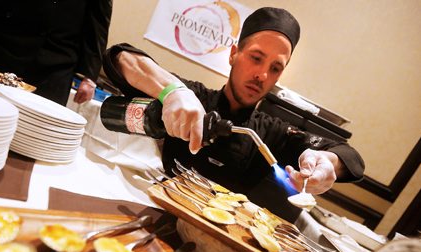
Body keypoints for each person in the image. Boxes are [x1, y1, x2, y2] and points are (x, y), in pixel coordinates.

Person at [102, 7, 364, 203]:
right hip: (155, 204)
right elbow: (121, 57)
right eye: (256, 58)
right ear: (233, 54)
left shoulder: (271, 133)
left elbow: (350, 156)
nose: (262, 74)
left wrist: (328, 162)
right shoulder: (195, 97)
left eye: (274, 68)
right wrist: (173, 91)